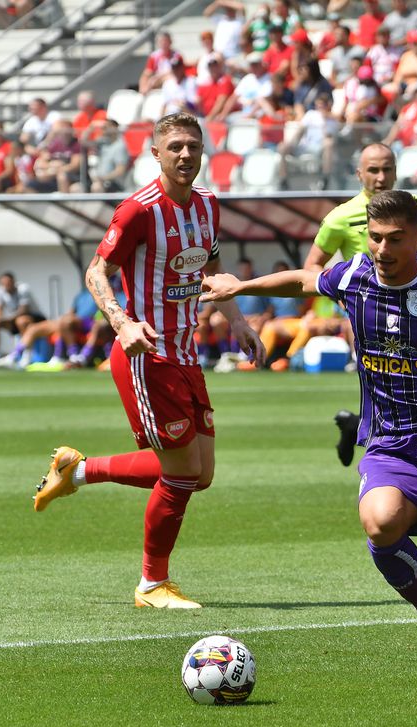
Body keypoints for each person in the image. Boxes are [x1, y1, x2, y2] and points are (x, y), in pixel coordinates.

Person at [201, 189, 417, 670]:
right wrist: (242, 287)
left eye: (395, 239)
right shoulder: (354, 276)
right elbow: (304, 280)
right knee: (380, 525)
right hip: (389, 440)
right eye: (376, 238)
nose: (382, 249)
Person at [31, 112, 265, 610]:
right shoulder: (138, 210)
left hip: (185, 352)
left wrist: (237, 319)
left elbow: (212, 267)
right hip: (147, 355)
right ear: (156, 153)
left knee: (200, 474)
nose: (185, 154)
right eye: (175, 146)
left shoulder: (207, 205)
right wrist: (123, 323)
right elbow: (97, 272)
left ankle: (77, 471)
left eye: (193, 146)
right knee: (180, 474)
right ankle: (152, 584)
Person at [301, 143, 417, 467]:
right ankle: (394, 464)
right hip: (370, 320)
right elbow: (311, 267)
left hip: (415, 314)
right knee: (388, 386)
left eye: (387, 169)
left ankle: (359, 428)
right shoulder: (340, 217)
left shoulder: (414, 207)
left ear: (396, 172)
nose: (381, 177)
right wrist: (344, 297)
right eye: (373, 170)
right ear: (359, 174)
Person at [0, 271, 44, 365]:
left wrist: (8, 319)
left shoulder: (23, 289)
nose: (6, 285)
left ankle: (27, 355)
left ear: (13, 282)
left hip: (35, 318)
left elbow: (24, 310)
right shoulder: (0, 291)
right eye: (4, 283)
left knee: (22, 321)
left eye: (8, 283)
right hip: (14, 319)